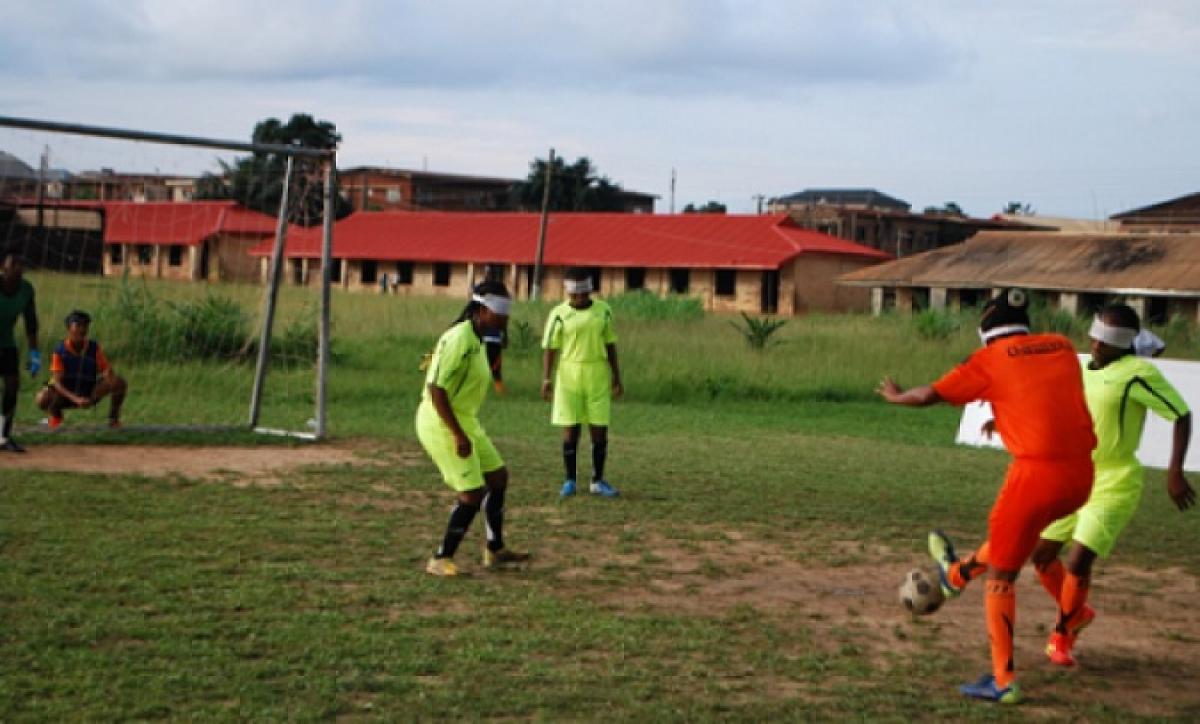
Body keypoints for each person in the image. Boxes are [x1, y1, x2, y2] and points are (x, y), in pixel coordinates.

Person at [877, 289, 1096, 705]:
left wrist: (896, 396)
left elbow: (929, 395)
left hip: (1035, 476)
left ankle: (1003, 680)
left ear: (986, 333)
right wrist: (1008, 416)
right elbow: (1045, 394)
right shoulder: (1062, 347)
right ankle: (955, 576)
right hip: (1081, 475)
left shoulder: (990, 359)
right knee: (1017, 541)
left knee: (1002, 577)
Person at [1031, 304, 1193, 666]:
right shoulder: (1081, 367)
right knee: (1042, 555)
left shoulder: (1137, 373)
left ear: (1125, 344)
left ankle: (1062, 634)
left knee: (1078, 560)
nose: (1097, 342)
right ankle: (1078, 613)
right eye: (1096, 333)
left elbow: (1182, 414)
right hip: (1073, 475)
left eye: (1109, 338)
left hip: (1114, 480)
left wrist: (1175, 471)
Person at [416, 280, 528, 576]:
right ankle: (440, 559)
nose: (506, 318)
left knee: (498, 477)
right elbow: (436, 389)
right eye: (500, 311)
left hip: (465, 419)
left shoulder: (479, 338)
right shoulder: (459, 339)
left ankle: (494, 549)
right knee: (472, 493)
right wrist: (457, 434)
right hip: (441, 422)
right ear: (482, 309)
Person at [542, 268, 623, 498]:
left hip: (596, 372)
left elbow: (610, 343)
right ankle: (570, 481)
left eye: (582, 293)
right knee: (570, 429)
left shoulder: (603, 311)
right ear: (567, 291)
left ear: (589, 290)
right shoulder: (558, 314)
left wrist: (617, 376)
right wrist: (546, 378)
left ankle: (597, 480)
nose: (577, 298)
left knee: (599, 429)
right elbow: (550, 348)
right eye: (573, 294)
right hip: (569, 374)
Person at [34, 310, 128, 430]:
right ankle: (56, 417)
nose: (82, 329)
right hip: (66, 394)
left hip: (88, 391)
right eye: (78, 325)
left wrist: (108, 374)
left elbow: (107, 370)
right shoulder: (60, 351)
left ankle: (113, 420)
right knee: (42, 398)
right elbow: (57, 383)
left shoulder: (94, 348)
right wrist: (76, 399)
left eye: (85, 326)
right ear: (69, 328)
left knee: (119, 382)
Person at [0, 251, 40, 452]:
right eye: (12, 264)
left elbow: (30, 322)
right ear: (3, 269)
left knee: (12, 387)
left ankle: (3, 437)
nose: (17, 267)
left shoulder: (26, 290)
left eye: (20, 264)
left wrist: (34, 354)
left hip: (6, 344)